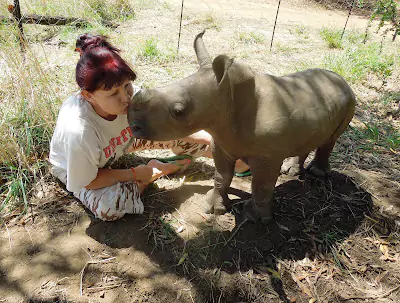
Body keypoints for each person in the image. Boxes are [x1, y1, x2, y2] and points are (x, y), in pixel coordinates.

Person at [49, 33, 250, 221]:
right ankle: (159, 169)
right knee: (109, 207)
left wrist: (213, 139)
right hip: (79, 169)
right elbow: (89, 181)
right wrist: (136, 174)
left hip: (121, 144)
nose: (126, 98)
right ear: (88, 96)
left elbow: (169, 121)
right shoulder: (78, 129)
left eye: (126, 86)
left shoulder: (129, 96)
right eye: (113, 94)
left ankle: (238, 162)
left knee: (172, 128)